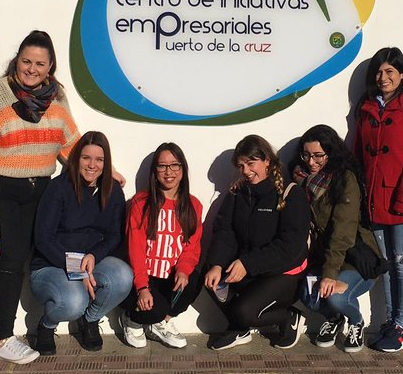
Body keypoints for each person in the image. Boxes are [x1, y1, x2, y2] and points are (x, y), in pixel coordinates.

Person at [0, 30, 80, 365]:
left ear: (50, 66)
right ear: (17, 61)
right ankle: (2, 338)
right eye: (26, 61)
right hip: (1, 192)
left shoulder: (56, 97)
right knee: (6, 264)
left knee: (35, 260)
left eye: (39, 64)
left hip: (40, 191)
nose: (32, 69)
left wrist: (98, 168)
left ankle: (50, 323)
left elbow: (69, 142)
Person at [354, 46, 403, 352]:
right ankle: (389, 321)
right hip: (374, 198)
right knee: (386, 263)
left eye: (389, 71)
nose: (383, 77)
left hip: (402, 198)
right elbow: (359, 152)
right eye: (378, 72)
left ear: (402, 74)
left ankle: (402, 327)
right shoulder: (367, 107)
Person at [203, 135, 311, 351]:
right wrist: (217, 264)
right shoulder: (237, 193)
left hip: (283, 274)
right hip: (248, 269)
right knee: (207, 277)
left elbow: (290, 246)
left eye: (251, 163)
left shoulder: (290, 194)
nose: (245, 171)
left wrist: (247, 264)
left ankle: (288, 317)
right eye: (241, 165)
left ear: (267, 161)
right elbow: (225, 232)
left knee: (243, 312)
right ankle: (239, 329)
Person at [30, 131, 131, 352]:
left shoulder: (113, 190)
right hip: (52, 264)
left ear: (106, 163)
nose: (92, 165)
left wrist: (94, 256)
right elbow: (44, 239)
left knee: (123, 276)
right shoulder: (59, 187)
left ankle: (90, 320)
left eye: (99, 159)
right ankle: (47, 325)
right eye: (86, 158)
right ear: (77, 159)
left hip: (91, 261)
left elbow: (115, 235)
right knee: (74, 302)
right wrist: (78, 270)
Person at [293, 124, 380, 353]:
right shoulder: (301, 179)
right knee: (308, 296)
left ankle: (356, 321)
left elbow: (343, 231)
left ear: (331, 153)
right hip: (323, 257)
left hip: (355, 258)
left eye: (318, 155)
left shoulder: (344, 179)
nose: (311, 162)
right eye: (306, 155)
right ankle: (334, 319)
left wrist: (330, 274)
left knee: (335, 298)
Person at [121, 143, 204, 349]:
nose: (169, 172)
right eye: (162, 166)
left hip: (171, 277)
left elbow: (192, 247)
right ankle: (132, 319)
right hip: (144, 277)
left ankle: (160, 322)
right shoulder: (141, 203)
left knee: (195, 279)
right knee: (153, 309)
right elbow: (135, 249)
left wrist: (183, 270)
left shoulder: (193, 205)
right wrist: (142, 287)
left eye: (175, 165)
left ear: (183, 169)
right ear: (154, 171)